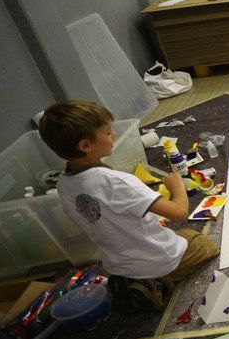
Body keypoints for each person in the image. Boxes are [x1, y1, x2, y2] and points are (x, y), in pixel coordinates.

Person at [39, 100, 219, 310]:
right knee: (201, 242)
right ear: (85, 146)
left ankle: (134, 280)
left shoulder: (63, 183)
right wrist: (177, 187)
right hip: (159, 260)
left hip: (117, 264)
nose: (114, 135)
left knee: (175, 236)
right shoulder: (117, 182)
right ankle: (157, 283)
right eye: (107, 132)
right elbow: (179, 212)